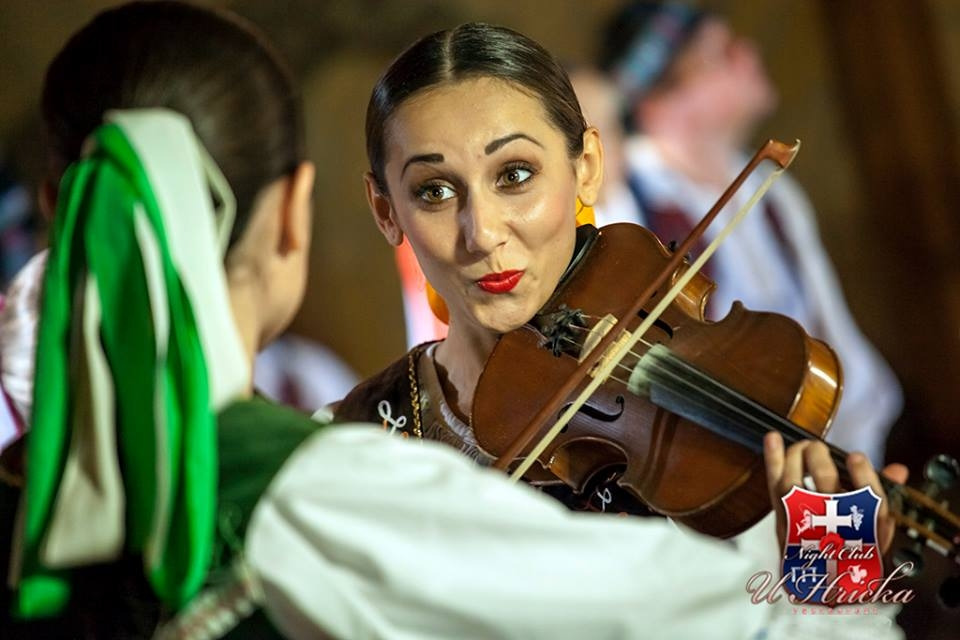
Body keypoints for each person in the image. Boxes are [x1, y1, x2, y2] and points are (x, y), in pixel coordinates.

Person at [0, 4, 906, 638]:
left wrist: (827, 558)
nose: (483, 233)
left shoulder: (705, 452)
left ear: (587, 167)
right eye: (434, 191)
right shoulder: (355, 446)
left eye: (516, 175)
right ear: (383, 210)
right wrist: (842, 581)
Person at [596, 1, 902, 466]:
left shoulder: (772, 189)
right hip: (707, 466)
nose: (747, 53)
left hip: (821, 455)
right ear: (659, 95)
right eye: (720, 51)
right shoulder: (623, 199)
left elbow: (836, 341)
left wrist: (856, 462)